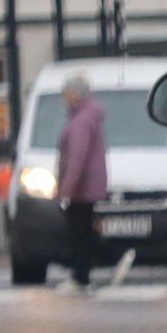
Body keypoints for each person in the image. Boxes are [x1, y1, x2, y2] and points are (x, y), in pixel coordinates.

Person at [56, 73, 108, 293]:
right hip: (87, 187)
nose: (64, 99)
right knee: (84, 231)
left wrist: (66, 189)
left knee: (79, 234)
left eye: (66, 95)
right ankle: (83, 274)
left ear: (74, 96)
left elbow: (76, 158)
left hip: (81, 189)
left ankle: (81, 278)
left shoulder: (81, 121)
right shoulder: (88, 117)